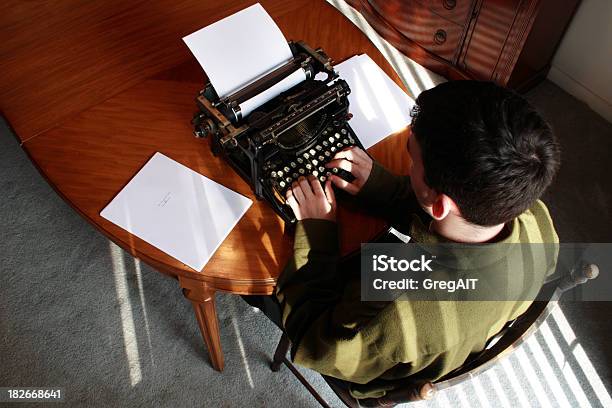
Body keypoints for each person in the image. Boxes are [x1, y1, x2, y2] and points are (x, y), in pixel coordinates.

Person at [259, 80, 561, 399]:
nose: (409, 164)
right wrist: (382, 186)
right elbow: (449, 213)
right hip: (457, 329)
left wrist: (317, 235)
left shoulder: (393, 304)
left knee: (258, 291)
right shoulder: (539, 221)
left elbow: (316, 345)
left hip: (374, 366)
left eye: (412, 159)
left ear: (440, 203)